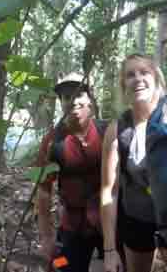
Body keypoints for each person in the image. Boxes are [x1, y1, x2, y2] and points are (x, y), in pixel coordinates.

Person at [100, 54, 167, 272]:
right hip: (136, 222)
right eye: (130, 75)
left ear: (157, 79)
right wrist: (109, 251)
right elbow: (109, 191)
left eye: (144, 72)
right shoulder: (118, 129)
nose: (137, 78)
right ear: (123, 85)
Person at [37, 73, 107, 272]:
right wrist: (46, 236)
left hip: (108, 225)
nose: (73, 101)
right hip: (72, 226)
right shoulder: (52, 141)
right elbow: (43, 190)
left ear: (90, 100)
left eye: (79, 95)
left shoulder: (106, 132)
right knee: (61, 266)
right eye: (66, 97)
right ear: (61, 103)